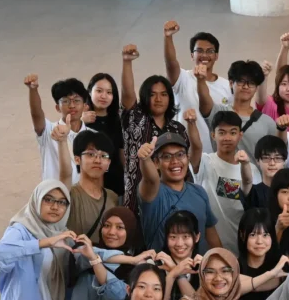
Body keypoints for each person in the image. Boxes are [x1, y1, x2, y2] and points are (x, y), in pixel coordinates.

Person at [119, 43, 190, 215]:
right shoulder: (136, 119)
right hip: (136, 201)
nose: (158, 99)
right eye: (152, 94)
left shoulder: (178, 129)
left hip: (172, 202)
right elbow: (128, 94)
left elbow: (185, 164)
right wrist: (127, 62)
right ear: (145, 97)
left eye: (164, 94)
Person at [137, 131, 220, 253]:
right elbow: (151, 179)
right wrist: (145, 159)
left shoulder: (199, 192)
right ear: (156, 163)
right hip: (163, 265)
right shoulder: (154, 192)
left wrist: (222, 259)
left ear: (188, 158)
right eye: (166, 156)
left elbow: (212, 237)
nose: (175, 161)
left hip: (199, 264)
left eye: (180, 154)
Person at [187, 109, 252, 256]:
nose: (227, 137)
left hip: (242, 248)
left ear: (240, 135)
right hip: (208, 250)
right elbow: (196, 147)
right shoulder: (205, 161)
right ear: (213, 135)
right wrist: (191, 124)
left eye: (233, 132)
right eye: (221, 132)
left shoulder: (250, 169)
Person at [163, 21, 233, 154]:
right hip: (184, 153)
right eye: (199, 51)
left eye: (210, 51)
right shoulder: (182, 78)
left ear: (216, 56)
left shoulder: (226, 86)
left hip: (214, 155)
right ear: (192, 55)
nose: (204, 55)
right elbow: (170, 63)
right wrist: (168, 37)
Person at [200, 59, 279, 166]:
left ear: (256, 88)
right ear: (231, 83)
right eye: (241, 81)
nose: (246, 86)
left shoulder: (267, 122)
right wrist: (200, 80)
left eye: (251, 83)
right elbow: (204, 99)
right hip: (222, 175)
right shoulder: (218, 112)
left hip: (255, 176)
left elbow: (277, 153)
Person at [56, 128, 121, 243]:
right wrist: (62, 141)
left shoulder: (113, 197)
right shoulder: (70, 194)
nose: (98, 160)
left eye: (103, 156)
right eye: (91, 154)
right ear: (77, 159)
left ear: (109, 163)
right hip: (76, 254)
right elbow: (65, 175)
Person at [25, 74, 86, 182]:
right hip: (55, 192)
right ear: (58, 107)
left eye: (76, 100)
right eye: (65, 101)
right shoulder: (49, 130)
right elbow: (36, 114)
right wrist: (33, 90)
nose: (72, 105)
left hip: (82, 193)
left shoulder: (93, 135)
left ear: (84, 106)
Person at [83, 73, 126, 199]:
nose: (104, 96)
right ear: (89, 92)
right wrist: (80, 122)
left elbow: (121, 155)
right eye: (99, 91)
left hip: (116, 186)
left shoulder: (118, 121)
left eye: (109, 92)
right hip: (89, 188)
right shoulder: (81, 121)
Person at [243, 134, 288, 211]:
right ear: (257, 161)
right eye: (266, 158)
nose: (272, 163)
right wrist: (245, 164)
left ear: (284, 161)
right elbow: (247, 181)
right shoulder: (253, 192)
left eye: (277, 158)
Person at [262, 64, 289, 130]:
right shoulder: (271, 104)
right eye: (284, 84)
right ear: (278, 87)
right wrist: (264, 76)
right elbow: (261, 98)